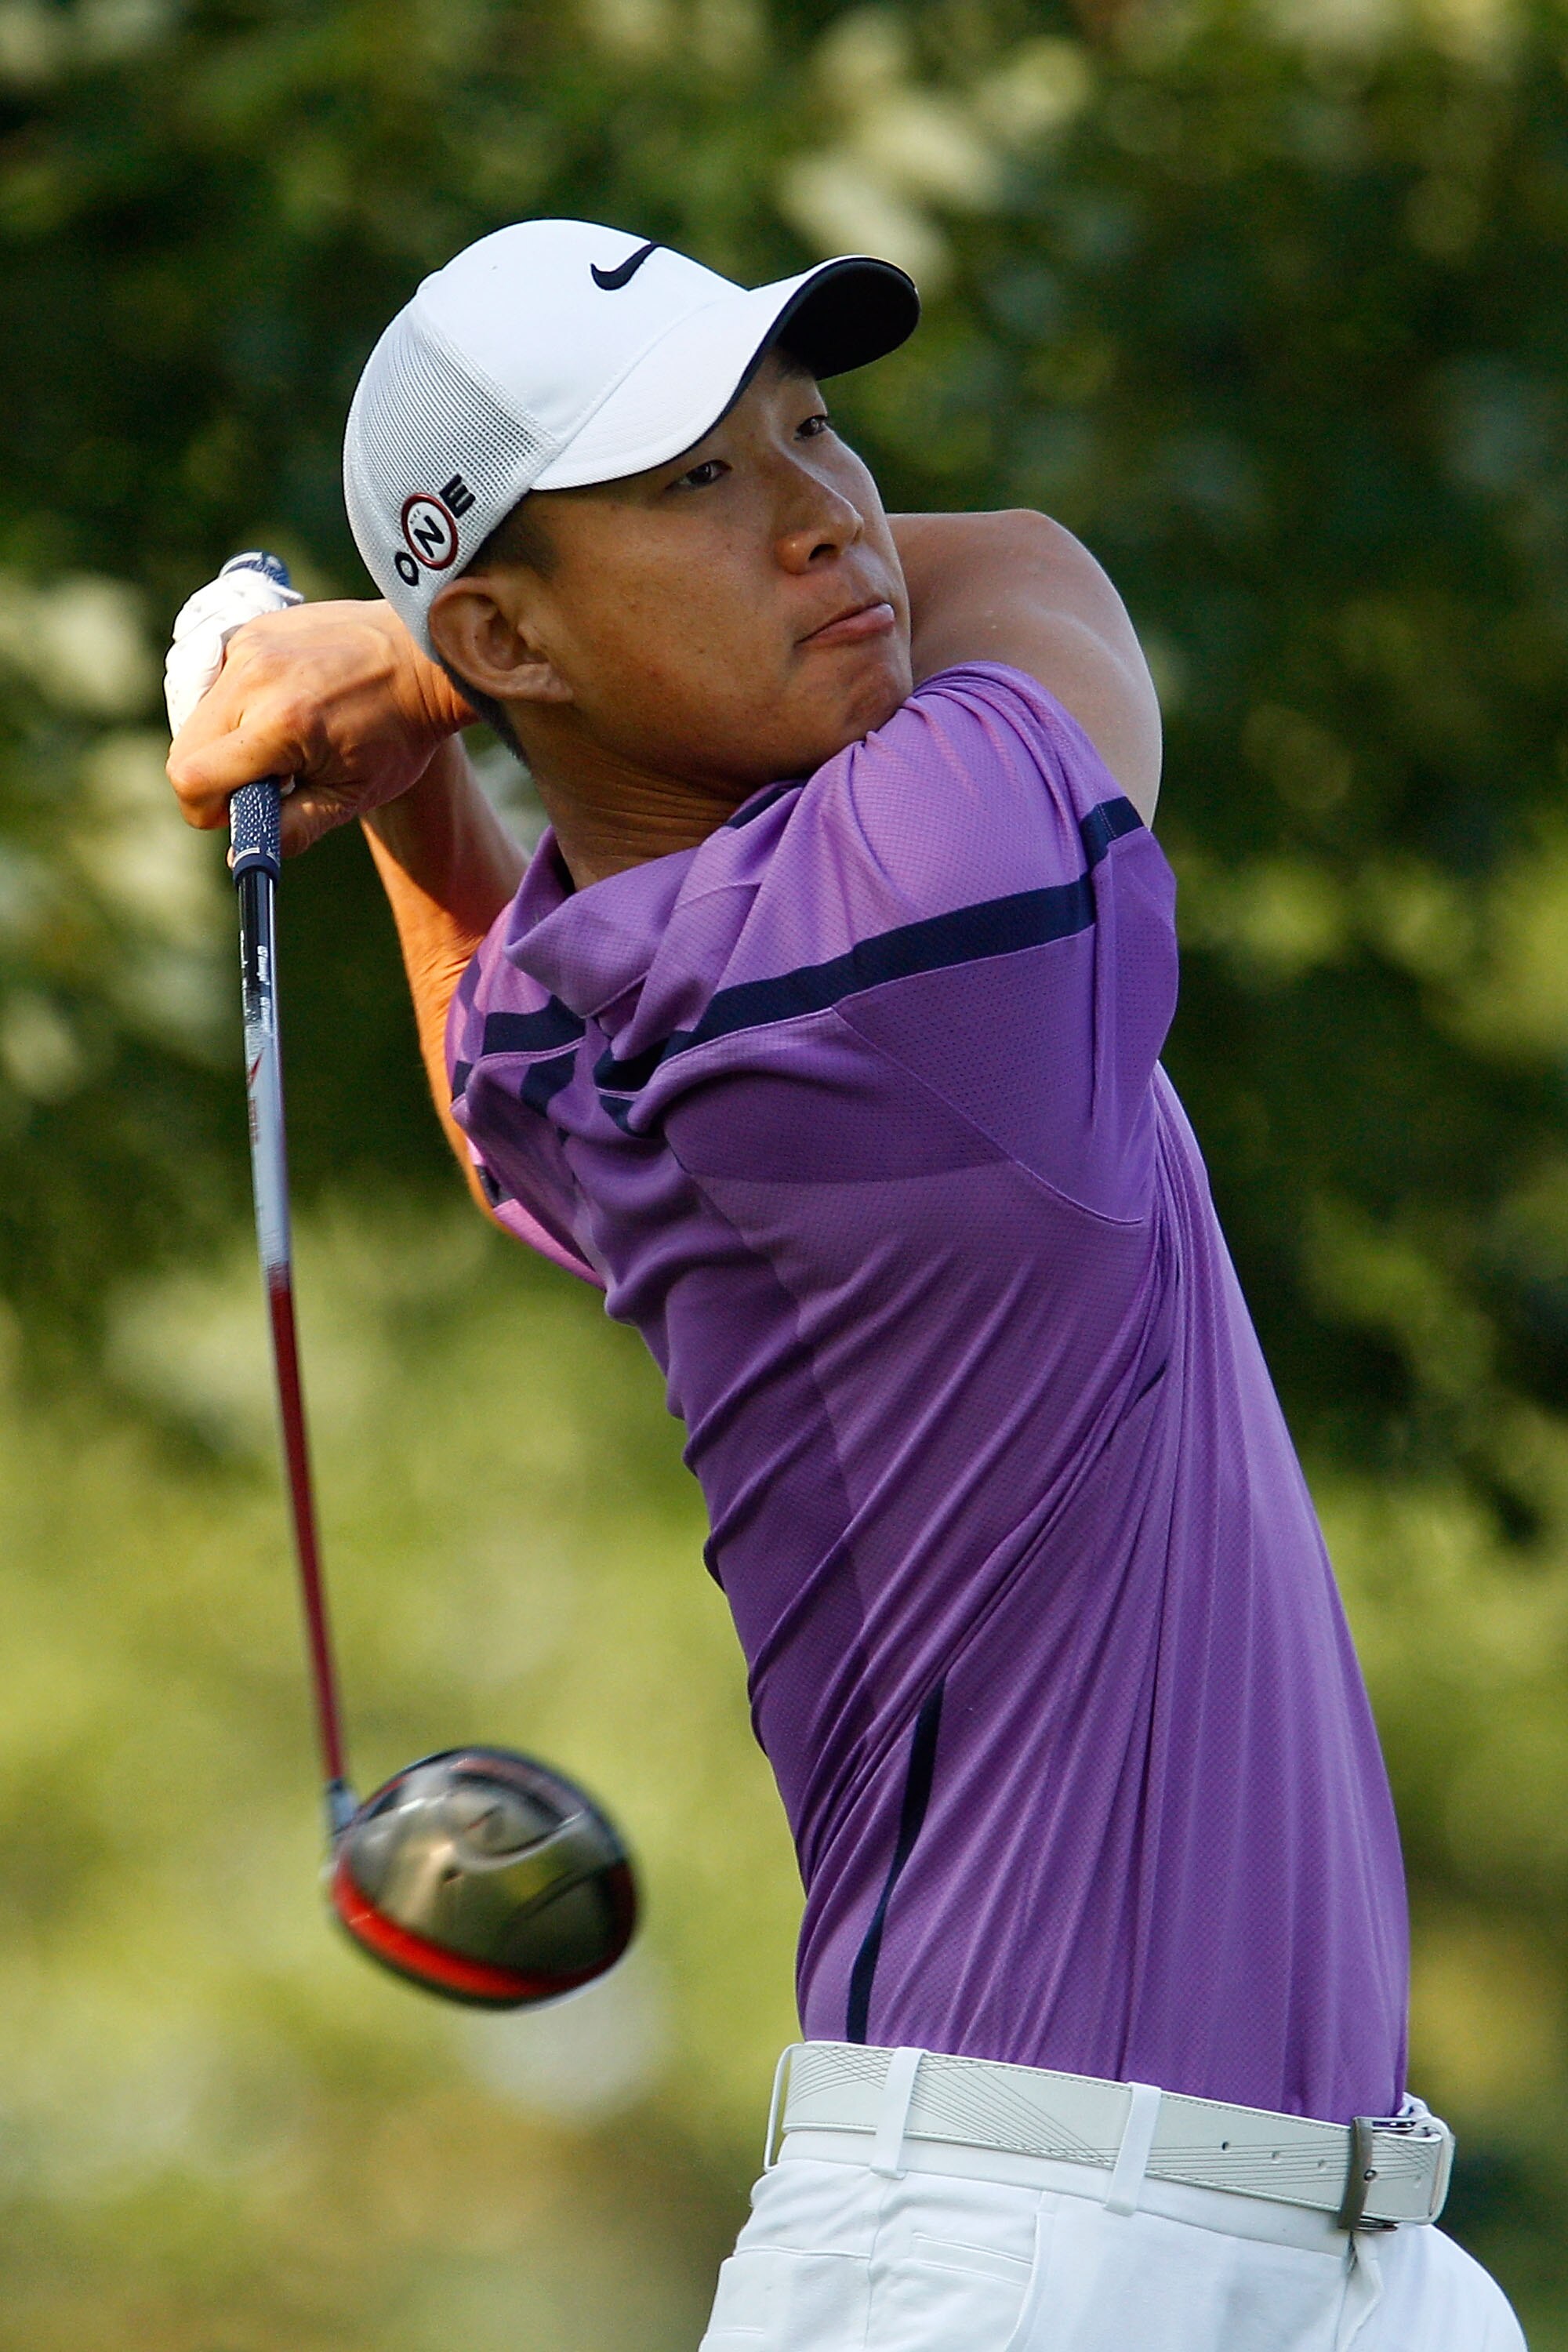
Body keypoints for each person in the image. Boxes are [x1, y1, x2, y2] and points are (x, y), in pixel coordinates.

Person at [164, 220, 1524, 2350]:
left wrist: (432, 772)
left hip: (1308, 2248)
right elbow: (1040, 572)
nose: (827, 522)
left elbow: (491, 1091)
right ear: (512, 627)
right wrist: (411, 682)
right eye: (695, 481)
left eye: (814, 428)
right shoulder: (925, 899)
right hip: (1030, 2252)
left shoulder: (581, 1018)